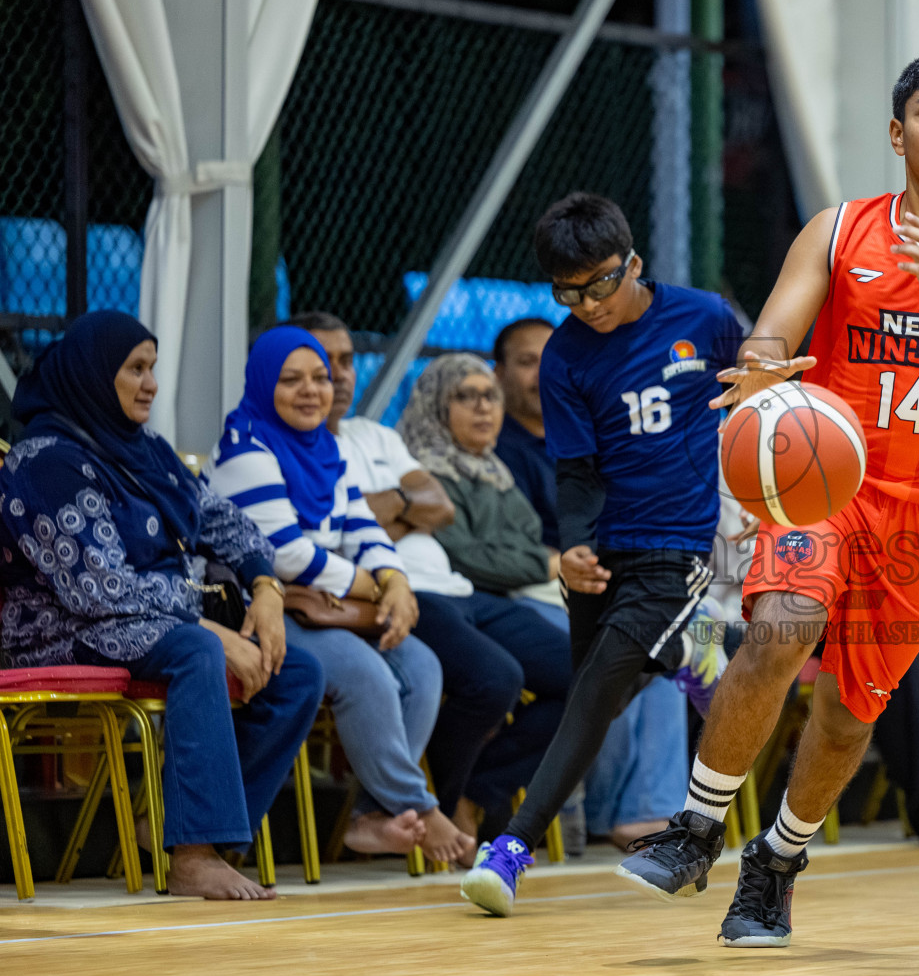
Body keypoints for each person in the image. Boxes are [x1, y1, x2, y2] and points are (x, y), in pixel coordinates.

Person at [618, 49, 919, 948]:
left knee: (852, 713)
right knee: (778, 627)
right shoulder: (840, 228)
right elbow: (772, 333)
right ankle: (697, 829)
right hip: (829, 485)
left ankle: (775, 864)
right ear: (899, 133)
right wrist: (762, 371)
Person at [459, 191, 743, 916]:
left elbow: (755, 408)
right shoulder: (563, 357)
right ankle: (700, 653)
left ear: (635, 263)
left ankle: (511, 848)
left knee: (591, 693)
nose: (587, 304)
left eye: (602, 283)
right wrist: (576, 547)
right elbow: (577, 472)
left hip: (679, 546)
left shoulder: (704, 319)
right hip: (604, 552)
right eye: (569, 291)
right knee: (600, 694)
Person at [0, 310, 323, 900]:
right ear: (94, 374)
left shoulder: (149, 451)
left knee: (297, 671)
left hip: (151, 619)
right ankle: (192, 855)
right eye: (135, 368)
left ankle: (187, 830)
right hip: (59, 627)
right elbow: (97, 590)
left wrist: (266, 590)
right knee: (198, 650)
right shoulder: (45, 461)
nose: (150, 383)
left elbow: (231, 526)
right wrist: (212, 628)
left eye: (153, 367)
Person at [293, 314, 569, 865]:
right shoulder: (294, 448)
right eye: (325, 364)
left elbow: (437, 506)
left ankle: (471, 793)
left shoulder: (378, 435)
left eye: (347, 362)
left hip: (455, 586)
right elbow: (336, 531)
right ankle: (433, 809)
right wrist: (401, 507)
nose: (340, 376)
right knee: (495, 679)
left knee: (580, 675)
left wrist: (385, 508)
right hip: (398, 591)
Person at [208, 327, 472, 864]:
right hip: (265, 609)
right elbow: (286, 554)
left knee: (422, 668)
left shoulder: (325, 448)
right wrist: (376, 585)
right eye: (291, 380)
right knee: (367, 675)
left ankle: (374, 814)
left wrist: (395, 581)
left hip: (327, 605)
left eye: (320, 380)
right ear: (262, 382)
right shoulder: (245, 448)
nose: (310, 391)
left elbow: (363, 527)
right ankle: (420, 807)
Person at [492, 317, 560, 550]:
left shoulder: (589, 435)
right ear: (499, 374)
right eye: (527, 362)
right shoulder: (494, 447)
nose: (542, 374)